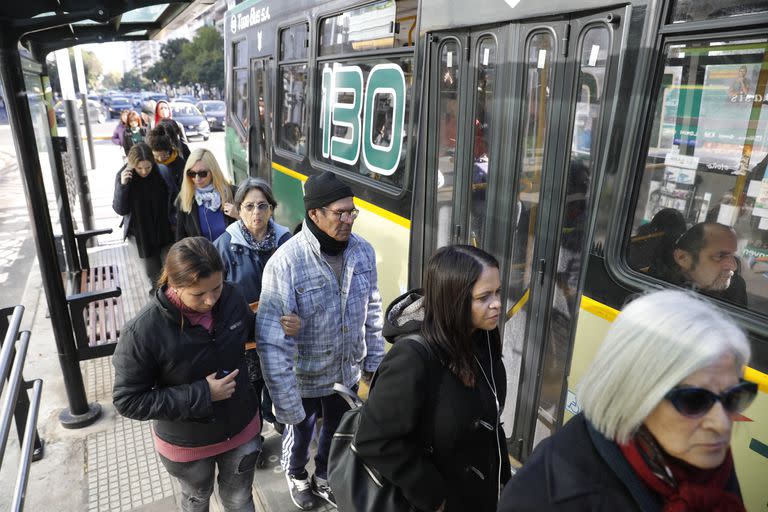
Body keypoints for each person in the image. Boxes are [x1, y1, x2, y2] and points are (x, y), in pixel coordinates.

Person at [498, 290, 756, 511]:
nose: (722, 424)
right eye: (695, 401)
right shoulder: (546, 496)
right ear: (634, 393)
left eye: (733, 397)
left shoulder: (707, 458)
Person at [256, 171, 385, 510]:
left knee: (338, 433)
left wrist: (373, 364)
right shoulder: (286, 264)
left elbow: (373, 309)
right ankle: (297, 474)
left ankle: (325, 475)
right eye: (339, 213)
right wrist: (284, 402)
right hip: (304, 379)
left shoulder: (363, 253)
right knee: (299, 437)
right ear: (314, 214)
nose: (348, 220)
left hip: (345, 373)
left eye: (351, 212)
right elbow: (272, 342)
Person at [353, 245, 510, 512]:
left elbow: (490, 421)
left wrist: (503, 479)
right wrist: (434, 497)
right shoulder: (413, 357)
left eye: (497, 292)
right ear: (455, 300)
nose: (496, 304)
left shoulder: (482, 336)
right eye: (483, 297)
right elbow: (373, 439)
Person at [112, 237, 261, 512]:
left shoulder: (231, 296)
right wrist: (203, 394)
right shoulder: (142, 332)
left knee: (240, 499)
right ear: (173, 284)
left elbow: (248, 331)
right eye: (198, 294)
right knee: (196, 500)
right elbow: (127, 400)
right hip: (187, 445)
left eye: (216, 288)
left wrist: (278, 324)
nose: (210, 300)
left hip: (242, 427)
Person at [213, 178, 296, 435]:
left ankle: (283, 421)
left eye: (262, 206)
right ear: (238, 209)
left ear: (272, 208)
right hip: (244, 337)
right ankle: (254, 435)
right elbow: (214, 294)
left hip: (281, 333)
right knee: (252, 388)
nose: (256, 213)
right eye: (249, 207)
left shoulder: (286, 240)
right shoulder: (225, 246)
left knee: (281, 382)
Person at [112, 142, 177, 294]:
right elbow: (120, 209)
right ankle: (159, 314)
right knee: (153, 281)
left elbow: (175, 199)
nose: (144, 172)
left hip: (165, 233)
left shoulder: (162, 172)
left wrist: (175, 222)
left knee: (173, 276)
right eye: (139, 168)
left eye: (148, 167)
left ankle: (177, 311)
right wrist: (123, 185)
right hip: (141, 238)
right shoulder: (123, 175)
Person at [651, 222, 747, 307]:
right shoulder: (657, 286)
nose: (734, 266)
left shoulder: (736, 287)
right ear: (683, 258)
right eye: (720, 256)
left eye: (733, 256)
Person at [177, 148, 238, 242]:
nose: (197, 179)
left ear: (213, 171)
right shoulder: (184, 198)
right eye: (192, 173)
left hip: (231, 254)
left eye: (202, 173)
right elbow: (180, 238)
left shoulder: (234, 193)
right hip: (201, 256)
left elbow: (255, 228)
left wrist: (239, 216)